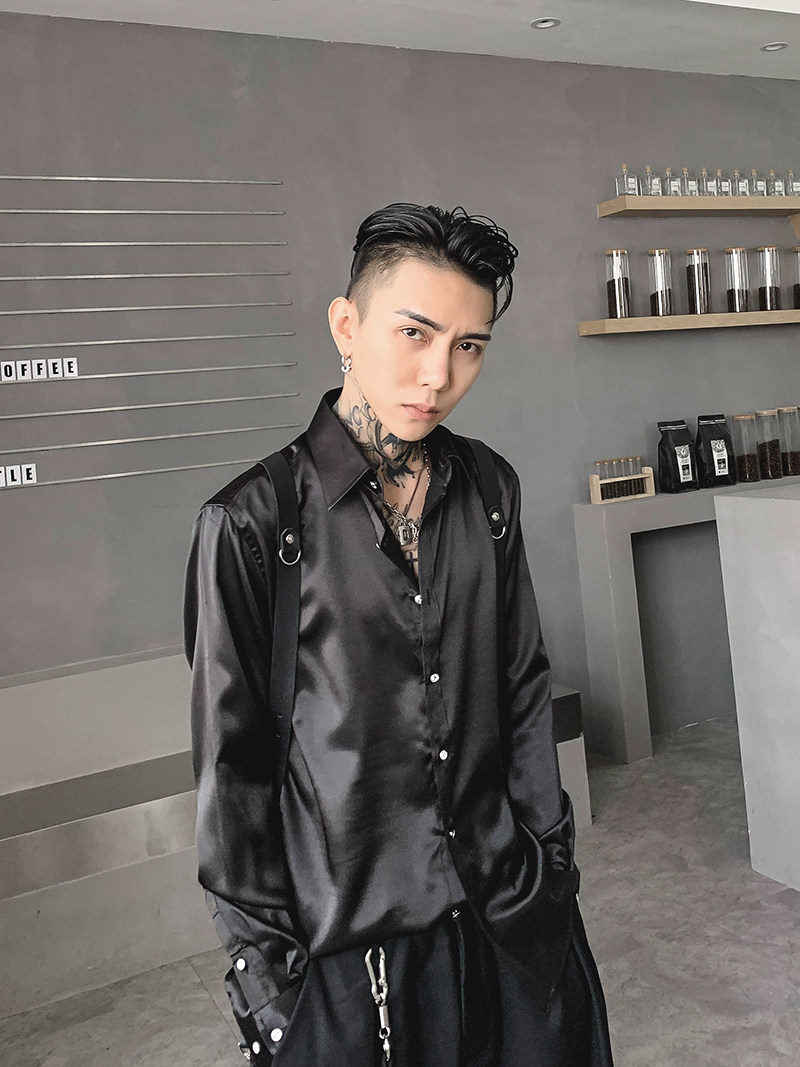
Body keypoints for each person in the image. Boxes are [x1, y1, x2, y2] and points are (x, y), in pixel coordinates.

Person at [183, 203, 613, 1066]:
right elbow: (233, 777)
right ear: (347, 325)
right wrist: (275, 995)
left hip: (513, 920)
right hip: (352, 959)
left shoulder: (489, 488)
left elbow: (522, 687)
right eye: (415, 333)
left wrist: (550, 865)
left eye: (469, 345)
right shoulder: (251, 525)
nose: (438, 374)